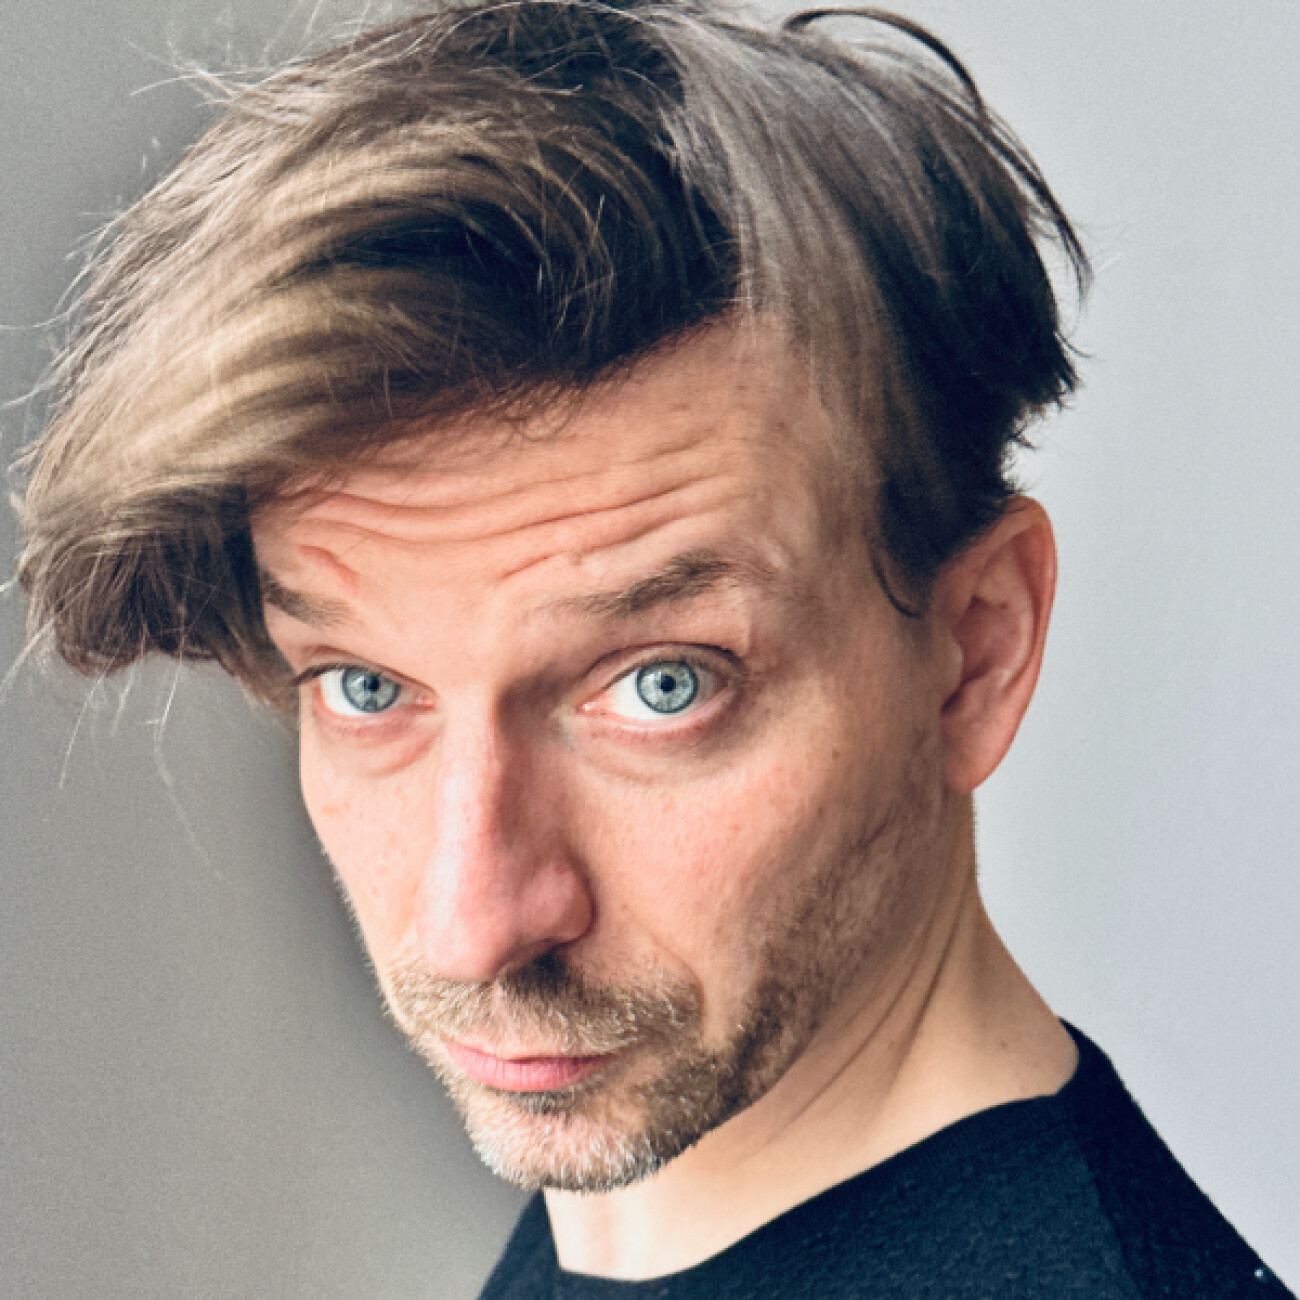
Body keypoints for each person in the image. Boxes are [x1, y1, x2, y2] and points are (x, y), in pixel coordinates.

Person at [12, 1, 1292, 1295]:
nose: (472, 928)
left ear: (976, 653)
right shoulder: (660, 1222)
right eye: (367, 686)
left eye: (661, 687)